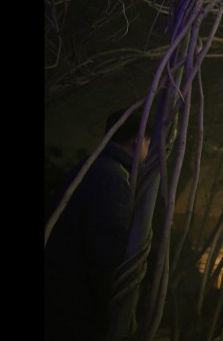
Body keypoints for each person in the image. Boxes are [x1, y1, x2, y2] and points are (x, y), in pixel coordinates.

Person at [44, 106, 153, 341]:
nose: (149, 154)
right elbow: (108, 253)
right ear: (137, 142)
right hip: (77, 307)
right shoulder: (114, 180)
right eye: (148, 145)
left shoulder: (90, 168)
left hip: (58, 297)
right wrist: (116, 311)